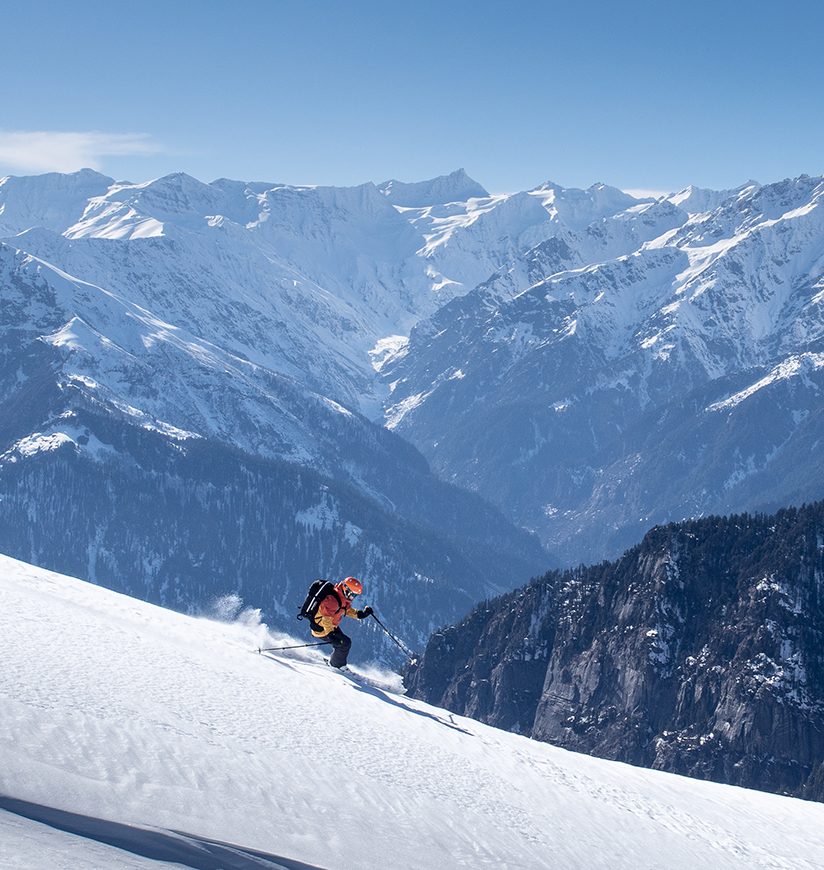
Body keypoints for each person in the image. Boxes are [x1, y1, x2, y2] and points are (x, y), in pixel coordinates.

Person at [309, 576, 373, 669]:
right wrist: (331, 634)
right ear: (346, 589)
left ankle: (336, 663)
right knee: (344, 644)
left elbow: (345, 609)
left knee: (343, 643)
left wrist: (360, 614)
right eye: (352, 594)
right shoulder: (332, 601)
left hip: (330, 626)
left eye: (355, 595)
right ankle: (336, 666)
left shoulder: (341, 597)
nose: (352, 597)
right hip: (322, 629)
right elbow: (325, 619)